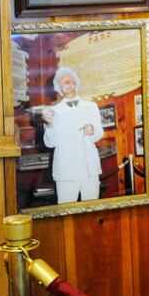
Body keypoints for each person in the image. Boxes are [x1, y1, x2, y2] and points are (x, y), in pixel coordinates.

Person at [42, 66, 104, 205]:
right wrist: (49, 123)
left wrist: (93, 130)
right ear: (59, 88)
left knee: (92, 209)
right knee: (66, 211)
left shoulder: (91, 106)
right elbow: (50, 143)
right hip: (66, 171)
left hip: (89, 169)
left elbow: (99, 133)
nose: (67, 84)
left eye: (70, 81)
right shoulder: (53, 111)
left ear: (76, 83)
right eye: (64, 83)